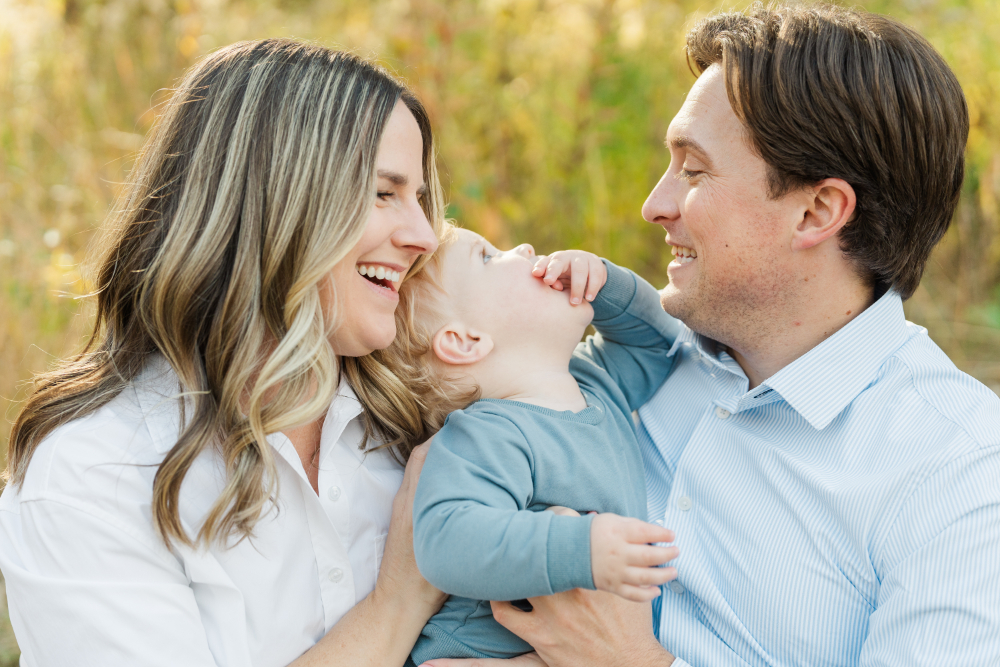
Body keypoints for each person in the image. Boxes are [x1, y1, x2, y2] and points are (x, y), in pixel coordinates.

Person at [422, 4, 1000, 667]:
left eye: (693, 171)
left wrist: (632, 662)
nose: (653, 204)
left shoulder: (960, 470)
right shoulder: (628, 359)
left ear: (817, 210)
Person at [0, 39, 449, 667]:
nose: (424, 235)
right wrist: (398, 602)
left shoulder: (428, 420)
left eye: (420, 198)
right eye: (383, 194)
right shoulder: (94, 474)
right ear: (270, 202)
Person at [380, 224, 678, 663]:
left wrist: (604, 283)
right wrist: (583, 548)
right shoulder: (483, 433)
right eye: (488, 256)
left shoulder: (597, 384)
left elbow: (658, 343)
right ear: (464, 341)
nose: (523, 247)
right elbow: (447, 541)